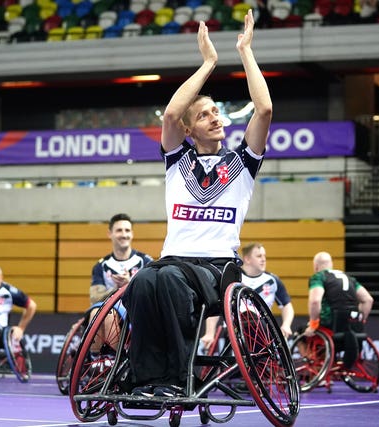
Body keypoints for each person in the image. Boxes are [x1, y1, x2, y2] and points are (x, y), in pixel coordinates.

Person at [122, 10, 272, 398]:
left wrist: (245, 51)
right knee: (143, 281)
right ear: (189, 130)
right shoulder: (178, 160)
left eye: (216, 111)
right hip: (173, 259)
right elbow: (172, 112)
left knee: (168, 280)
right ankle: (144, 379)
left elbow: (265, 110)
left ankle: (176, 377)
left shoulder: (242, 162)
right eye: (204, 114)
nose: (215, 117)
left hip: (217, 269)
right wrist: (208, 63)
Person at [200, 242, 294, 349]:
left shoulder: (272, 280)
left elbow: (287, 306)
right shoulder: (232, 279)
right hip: (235, 330)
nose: (263, 259)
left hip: (262, 331)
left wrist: (286, 324)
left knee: (256, 321)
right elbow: (216, 305)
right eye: (259, 256)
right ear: (247, 259)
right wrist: (209, 332)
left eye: (264, 256)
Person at [304, 251, 374, 336]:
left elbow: (315, 301)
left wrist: (313, 325)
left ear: (315, 267)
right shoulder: (349, 278)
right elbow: (368, 300)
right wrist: (360, 321)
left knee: (302, 332)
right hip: (352, 322)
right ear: (331, 265)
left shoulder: (318, 277)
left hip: (330, 323)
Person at [90, 213, 153, 306]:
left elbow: (153, 295)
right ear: (109, 234)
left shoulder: (146, 262)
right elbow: (95, 300)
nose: (124, 235)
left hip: (139, 311)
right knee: (94, 313)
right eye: (119, 230)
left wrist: (129, 285)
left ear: (132, 234)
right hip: (111, 313)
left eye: (127, 230)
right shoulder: (100, 266)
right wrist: (116, 289)